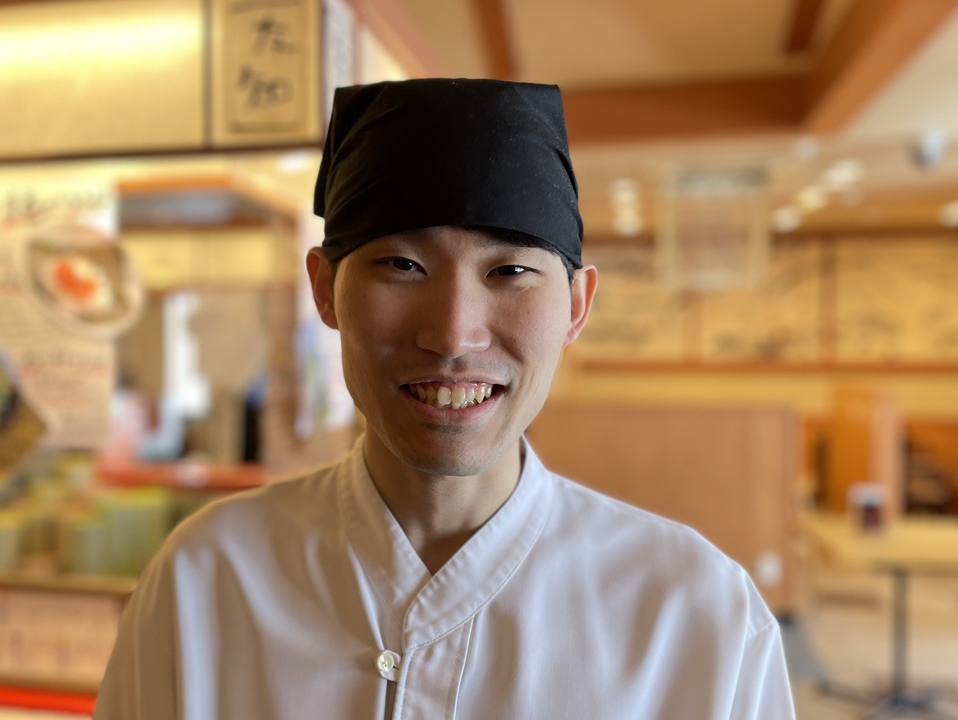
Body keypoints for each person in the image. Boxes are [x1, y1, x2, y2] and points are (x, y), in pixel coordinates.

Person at [94, 78, 796, 719]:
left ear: (577, 306)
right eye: (402, 265)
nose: (453, 334)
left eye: (511, 270)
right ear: (324, 290)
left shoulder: (698, 617)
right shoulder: (205, 582)